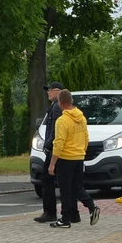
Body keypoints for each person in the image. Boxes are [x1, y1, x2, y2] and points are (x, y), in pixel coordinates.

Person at [48, 89, 100, 228]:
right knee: (77, 186)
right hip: (79, 157)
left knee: (65, 189)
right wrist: (82, 151)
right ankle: (91, 206)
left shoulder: (62, 121)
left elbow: (59, 143)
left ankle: (65, 219)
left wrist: (53, 163)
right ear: (71, 101)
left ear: (61, 103)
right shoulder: (81, 118)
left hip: (65, 158)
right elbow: (86, 137)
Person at [34, 81, 64, 224]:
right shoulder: (55, 106)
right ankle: (62, 212)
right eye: (48, 90)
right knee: (53, 180)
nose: (48, 92)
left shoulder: (57, 107)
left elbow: (55, 129)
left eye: (51, 90)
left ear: (58, 91)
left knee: (48, 180)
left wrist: (48, 145)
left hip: (53, 149)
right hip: (54, 148)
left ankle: (50, 212)